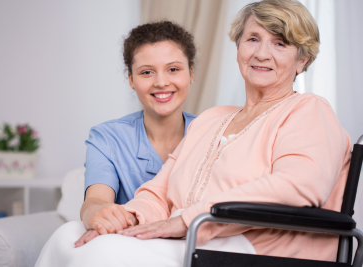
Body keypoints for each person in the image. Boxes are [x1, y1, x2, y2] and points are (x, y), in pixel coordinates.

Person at [35, 0, 352, 266]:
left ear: (302, 59)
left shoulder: (310, 110)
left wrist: (187, 219)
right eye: (253, 39)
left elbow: (298, 186)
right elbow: (159, 191)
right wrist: (126, 218)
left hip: (257, 248)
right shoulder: (212, 119)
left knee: (106, 252)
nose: (261, 53)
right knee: (69, 235)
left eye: (280, 43)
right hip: (197, 237)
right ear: (238, 46)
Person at [78, 21, 197, 245]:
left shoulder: (214, 133)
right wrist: (96, 213)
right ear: (131, 79)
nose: (161, 82)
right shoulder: (106, 138)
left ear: (190, 73)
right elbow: (96, 200)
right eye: (147, 72)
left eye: (173, 69)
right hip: (129, 250)